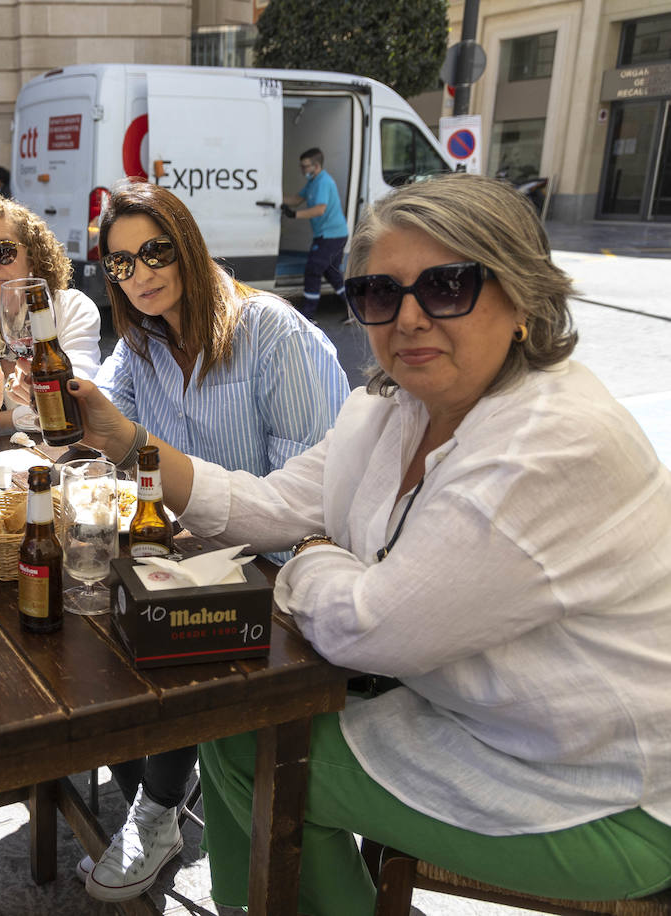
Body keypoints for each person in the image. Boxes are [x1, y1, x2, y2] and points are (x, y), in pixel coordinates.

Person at [68, 173, 671, 913]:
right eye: (381, 295)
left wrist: (315, 555)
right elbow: (274, 500)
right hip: (485, 720)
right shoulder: (393, 408)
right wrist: (130, 443)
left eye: (448, 285)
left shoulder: (547, 443)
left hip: (605, 788)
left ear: (521, 298)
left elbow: (372, 628)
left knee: (261, 754)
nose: (409, 318)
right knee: (234, 730)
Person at [79, 181, 350, 903]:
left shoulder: (274, 333)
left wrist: (134, 452)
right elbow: (104, 424)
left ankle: (160, 810)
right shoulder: (143, 342)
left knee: (163, 644)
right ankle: (158, 786)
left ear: (189, 246)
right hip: (192, 554)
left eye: (154, 252)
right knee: (88, 614)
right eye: (120, 264)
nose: (138, 274)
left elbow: (308, 502)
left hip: (285, 573)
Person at [0, 193, 103, 435]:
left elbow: (80, 402)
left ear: (33, 259)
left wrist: (5, 417)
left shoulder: (70, 309)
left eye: (4, 251)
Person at [282, 147, 350, 321]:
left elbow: (320, 209)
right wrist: (276, 198)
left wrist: (294, 215)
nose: (302, 170)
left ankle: (308, 316)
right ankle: (354, 309)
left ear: (316, 165)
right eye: (301, 166)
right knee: (332, 273)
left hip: (331, 235)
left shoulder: (323, 182)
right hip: (330, 234)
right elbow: (297, 199)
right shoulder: (313, 181)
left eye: (305, 166)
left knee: (313, 270)